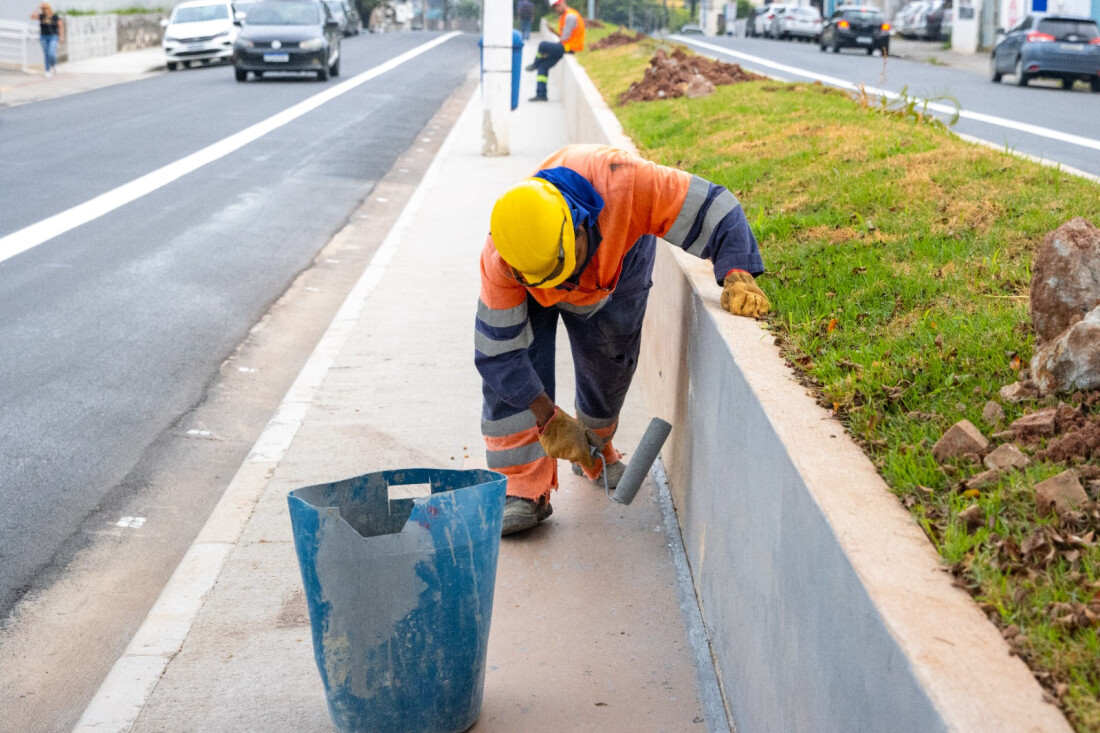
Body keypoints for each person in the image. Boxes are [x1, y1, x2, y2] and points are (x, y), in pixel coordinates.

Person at [475, 144, 769, 535]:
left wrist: (737, 273)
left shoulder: (628, 182)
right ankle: (520, 489)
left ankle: (595, 453)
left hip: (617, 263)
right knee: (512, 384)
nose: (562, 289)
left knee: (609, 364)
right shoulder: (504, 257)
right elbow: (499, 354)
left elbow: (716, 207)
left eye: (566, 274)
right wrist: (548, 417)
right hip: (528, 289)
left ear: (580, 225)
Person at [524, 0, 583, 102]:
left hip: (570, 47)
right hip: (565, 46)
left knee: (543, 45)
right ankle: (541, 94)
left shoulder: (570, 16)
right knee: (543, 66)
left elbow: (565, 38)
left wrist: (551, 49)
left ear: (563, 3)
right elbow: (564, 36)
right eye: (555, 8)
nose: (556, 9)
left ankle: (535, 63)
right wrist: (554, 32)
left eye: (557, 6)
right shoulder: (564, 16)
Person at [32, 1, 64, 77]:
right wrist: (38, 7)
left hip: (53, 36)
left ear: (49, 8)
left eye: (46, 8)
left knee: (51, 53)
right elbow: (32, 16)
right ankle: (47, 70)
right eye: (43, 8)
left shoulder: (55, 17)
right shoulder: (41, 16)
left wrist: (61, 36)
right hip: (43, 37)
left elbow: (61, 27)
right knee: (46, 54)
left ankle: (54, 64)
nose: (45, 10)